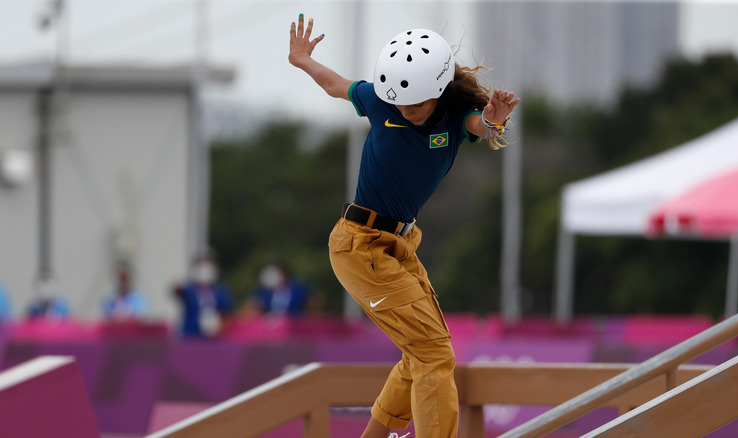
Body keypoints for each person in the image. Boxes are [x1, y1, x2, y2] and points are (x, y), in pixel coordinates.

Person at [289, 14, 520, 438]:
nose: (405, 110)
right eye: (399, 104)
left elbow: (481, 127)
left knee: (423, 354)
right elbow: (336, 84)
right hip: (359, 246)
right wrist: (303, 59)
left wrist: (494, 119)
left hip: (398, 246)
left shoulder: (456, 116)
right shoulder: (381, 100)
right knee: (434, 353)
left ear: (438, 90)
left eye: (415, 104)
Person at [173, 254, 235, 338]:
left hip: (213, 340)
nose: (205, 271)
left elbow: (227, 312)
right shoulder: (190, 288)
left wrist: (220, 326)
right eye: (201, 267)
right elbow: (177, 290)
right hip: (190, 338)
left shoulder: (220, 290)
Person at [245, 263, 312, 317]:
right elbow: (250, 306)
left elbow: (314, 301)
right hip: (270, 326)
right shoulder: (263, 290)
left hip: (293, 325)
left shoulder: (298, 287)